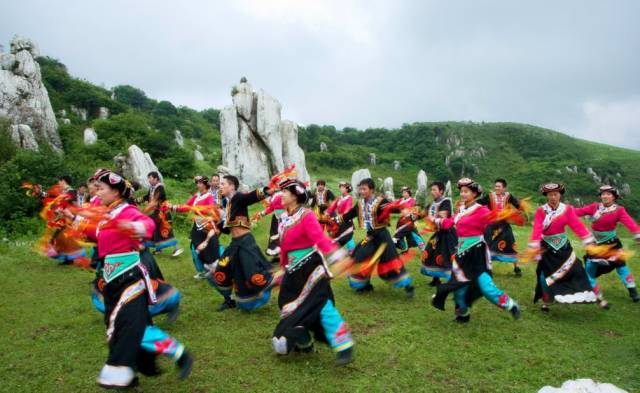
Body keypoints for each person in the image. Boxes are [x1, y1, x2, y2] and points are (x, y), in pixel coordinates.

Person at [85, 170, 192, 389]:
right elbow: (96, 234)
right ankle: (130, 373)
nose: (98, 191)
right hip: (112, 277)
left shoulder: (127, 210)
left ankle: (178, 353)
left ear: (115, 192)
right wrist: (73, 220)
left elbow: (148, 225)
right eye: (97, 187)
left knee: (131, 326)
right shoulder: (108, 214)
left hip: (129, 276)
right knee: (118, 327)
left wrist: (133, 227)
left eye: (102, 188)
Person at [271, 177, 354, 366]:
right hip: (292, 271)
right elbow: (284, 247)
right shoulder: (284, 219)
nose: (280, 195)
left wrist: (337, 255)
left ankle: (344, 345)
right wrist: (282, 269)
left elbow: (320, 238)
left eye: (284, 191)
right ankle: (304, 342)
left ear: (295, 195)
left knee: (322, 305)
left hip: (311, 268)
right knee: (287, 305)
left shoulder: (306, 215)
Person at [430, 178, 521, 323]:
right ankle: (463, 314)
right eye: (461, 191)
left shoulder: (481, 210)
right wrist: (436, 221)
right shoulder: (461, 209)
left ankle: (511, 305)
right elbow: (450, 222)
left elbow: (494, 218)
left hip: (477, 252)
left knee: (485, 286)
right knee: (459, 285)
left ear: (474, 194)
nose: (463, 194)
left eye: (466, 191)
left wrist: (509, 214)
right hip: (461, 253)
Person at [335, 178, 415, 298]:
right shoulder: (360, 203)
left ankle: (407, 286)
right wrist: (333, 220)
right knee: (360, 255)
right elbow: (350, 214)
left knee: (392, 261)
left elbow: (392, 207)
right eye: (360, 189)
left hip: (383, 236)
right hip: (370, 237)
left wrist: (403, 209)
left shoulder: (380, 201)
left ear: (371, 189)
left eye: (364, 189)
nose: (362, 191)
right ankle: (365, 285)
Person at [527, 183, 597, 311]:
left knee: (575, 269)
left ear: (560, 195)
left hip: (563, 247)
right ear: (546, 196)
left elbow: (577, 225)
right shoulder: (541, 210)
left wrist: (587, 239)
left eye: (555, 194)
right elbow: (537, 228)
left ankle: (576, 292)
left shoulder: (567, 209)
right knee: (544, 275)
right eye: (550, 195)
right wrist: (534, 246)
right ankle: (547, 300)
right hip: (546, 247)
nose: (553, 197)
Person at [209, 175, 274, 311]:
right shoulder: (228, 204)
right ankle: (229, 300)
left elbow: (250, 197)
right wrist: (215, 223)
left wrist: (268, 190)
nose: (220, 186)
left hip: (246, 243)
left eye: (223, 184)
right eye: (220, 184)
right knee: (221, 270)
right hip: (235, 244)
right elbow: (227, 230)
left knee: (252, 275)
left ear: (232, 186)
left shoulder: (238, 198)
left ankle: (274, 281)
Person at [575, 185, 640, 306]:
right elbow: (577, 212)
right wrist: (562, 209)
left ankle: (633, 292)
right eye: (603, 194)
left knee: (621, 266)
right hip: (595, 244)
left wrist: (637, 233)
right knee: (590, 268)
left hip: (612, 244)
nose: (605, 196)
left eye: (608, 194)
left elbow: (630, 222)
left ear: (614, 197)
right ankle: (593, 291)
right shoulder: (594, 207)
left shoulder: (619, 210)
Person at [173, 176, 219, 279]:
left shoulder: (209, 196)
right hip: (197, 226)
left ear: (205, 184)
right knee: (195, 248)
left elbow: (210, 210)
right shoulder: (196, 196)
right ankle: (203, 270)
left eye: (200, 183)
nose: (197, 185)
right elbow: (186, 207)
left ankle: (213, 269)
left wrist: (197, 208)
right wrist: (173, 207)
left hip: (205, 226)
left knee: (206, 248)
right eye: (197, 183)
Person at [478, 178, 526, 276]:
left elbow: (518, 205)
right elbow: (479, 203)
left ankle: (516, 268)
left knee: (511, 244)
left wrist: (521, 208)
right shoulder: (490, 196)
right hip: (491, 226)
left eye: (499, 186)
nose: (497, 188)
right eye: (495, 186)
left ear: (504, 188)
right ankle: (486, 267)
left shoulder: (508, 196)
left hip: (504, 225)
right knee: (487, 246)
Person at [420, 181, 456, 286]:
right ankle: (436, 279)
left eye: (435, 190)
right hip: (438, 233)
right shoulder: (432, 204)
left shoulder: (446, 201)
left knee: (449, 256)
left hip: (448, 234)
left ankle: (454, 279)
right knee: (431, 253)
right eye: (431, 190)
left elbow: (444, 215)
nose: (432, 192)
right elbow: (422, 213)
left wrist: (431, 217)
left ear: (441, 191)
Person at [142, 171, 182, 257]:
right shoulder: (152, 188)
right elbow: (147, 196)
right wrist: (138, 199)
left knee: (166, 230)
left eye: (150, 178)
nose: (149, 180)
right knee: (154, 230)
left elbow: (155, 201)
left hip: (163, 213)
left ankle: (177, 247)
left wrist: (145, 211)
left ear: (156, 179)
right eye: (148, 178)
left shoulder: (160, 188)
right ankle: (158, 249)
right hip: (156, 213)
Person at [393, 186, 426, 253]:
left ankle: (423, 249)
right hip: (402, 221)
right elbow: (394, 205)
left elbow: (411, 209)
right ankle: (403, 247)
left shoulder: (412, 200)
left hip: (409, 221)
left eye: (405, 192)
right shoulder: (401, 200)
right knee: (404, 235)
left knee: (414, 235)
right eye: (403, 192)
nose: (404, 194)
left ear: (409, 193)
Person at [325, 181, 356, 253]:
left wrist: (341, 216)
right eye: (340, 187)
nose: (341, 188)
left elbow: (347, 209)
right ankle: (336, 250)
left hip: (346, 219)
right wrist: (327, 213)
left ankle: (352, 250)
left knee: (347, 235)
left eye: (343, 187)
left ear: (347, 189)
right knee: (338, 234)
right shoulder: (339, 198)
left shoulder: (349, 198)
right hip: (339, 219)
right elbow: (332, 206)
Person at [255, 190, 285, 260]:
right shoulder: (274, 197)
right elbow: (271, 208)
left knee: (284, 234)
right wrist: (262, 213)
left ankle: (284, 254)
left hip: (285, 216)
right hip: (276, 218)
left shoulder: (284, 194)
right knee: (275, 234)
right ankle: (278, 255)